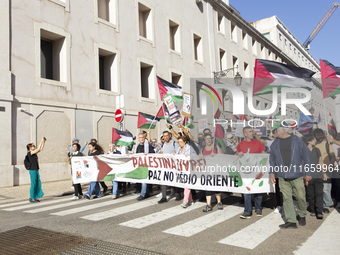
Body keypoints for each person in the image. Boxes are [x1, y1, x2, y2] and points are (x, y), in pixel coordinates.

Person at [269, 126, 312, 229]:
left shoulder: (297, 141)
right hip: (282, 176)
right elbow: (272, 160)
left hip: (297, 175)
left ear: (283, 130)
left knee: (300, 197)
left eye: (276, 131)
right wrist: (272, 173)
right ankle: (291, 221)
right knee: (286, 198)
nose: (275, 132)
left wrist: (308, 173)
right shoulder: (275, 143)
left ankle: (302, 215)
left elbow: (307, 157)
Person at [236, 127, 266, 218]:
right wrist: (238, 154)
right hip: (246, 172)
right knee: (247, 190)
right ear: (245, 134)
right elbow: (236, 155)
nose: (252, 133)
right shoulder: (240, 144)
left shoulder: (258, 143)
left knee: (258, 190)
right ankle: (247, 211)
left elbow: (264, 154)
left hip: (256, 170)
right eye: (250, 132)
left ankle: (258, 208)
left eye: (252, 131)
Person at [302, 135, 327, 219]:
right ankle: (312, 209)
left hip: (318, 175)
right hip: (308, 176)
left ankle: (319, 211)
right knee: (310, 194)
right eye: (314, 139)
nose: (315, 141)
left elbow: (320, 161)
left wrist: (324, 172)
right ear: (309, 141)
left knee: (319, 193)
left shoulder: (317, 150)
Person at [314, 128, 336, 214]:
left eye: (320, 134)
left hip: (326, 170)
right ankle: (320, 204)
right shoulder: (314, 146)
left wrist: (329, 166)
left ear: (323, 135)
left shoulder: (327, 144)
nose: (319, 135)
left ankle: (326, 206)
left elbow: (333, 156)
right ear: (315, 136)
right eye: (317, 134)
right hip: (316, 170)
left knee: (326, 189)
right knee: (318, 189)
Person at [201, 133, 224, 212]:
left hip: (215, 170)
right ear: (204, 140)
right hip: (206, 170)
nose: (209, 140)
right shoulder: (203, 148)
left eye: (210, 138)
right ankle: (208, 204)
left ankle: (219, 202)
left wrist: (216, 155)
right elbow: (199, 157)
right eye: (207, 139)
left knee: (216, 187)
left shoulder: (215, 146)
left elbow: (222, 156)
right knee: (208, 188)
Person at [158, 130, 180, 204]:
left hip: (173, 166)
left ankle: (178, 194)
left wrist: (175, 154)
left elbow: (179, 152)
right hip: (165, 166)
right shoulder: (164, 144)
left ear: (170, 135)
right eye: (164, 136)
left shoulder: (174, 144)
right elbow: (161, 152)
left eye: (166, 135)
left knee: (175, 180)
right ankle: (164, 197)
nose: (165, 137)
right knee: (164, 180)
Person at [133, 132, 155, 201]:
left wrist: (147, 154)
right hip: (139, 166)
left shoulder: (147, 145)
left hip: (146, 165)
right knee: (143, 180)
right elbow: (135, 155)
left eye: (143, 137)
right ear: (138, 139)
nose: (141, 139)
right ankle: (147, 193)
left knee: (144, 180)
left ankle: (142, 194)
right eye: (140, 138)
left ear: (144, 138)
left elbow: (153, 153)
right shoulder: (137, 146)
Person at [26, 137, 46, 202]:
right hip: (32, 170)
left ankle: (35, 196)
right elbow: (38, 148)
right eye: (32, 146)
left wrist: (43, 142)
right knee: (33, 184)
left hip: (36, 170)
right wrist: (41, 140)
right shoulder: (30, 153)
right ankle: (32, 197)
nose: (34, 146)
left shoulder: (34, 153)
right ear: (29, 148)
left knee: (37, 183)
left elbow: (41, 149)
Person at [174, 136, 192, 208]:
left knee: (187, 185)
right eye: (179, 142)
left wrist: (188, 156)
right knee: (185, 185)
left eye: (181, 142)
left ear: (185, 142)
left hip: (188, 169)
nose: (180, 144)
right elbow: (177, 156)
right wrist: (175, 155)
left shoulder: (188, 148)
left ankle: (185, 201)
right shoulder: (179, 149)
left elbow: (192, 156)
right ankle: (190, 199)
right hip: (181, 169)